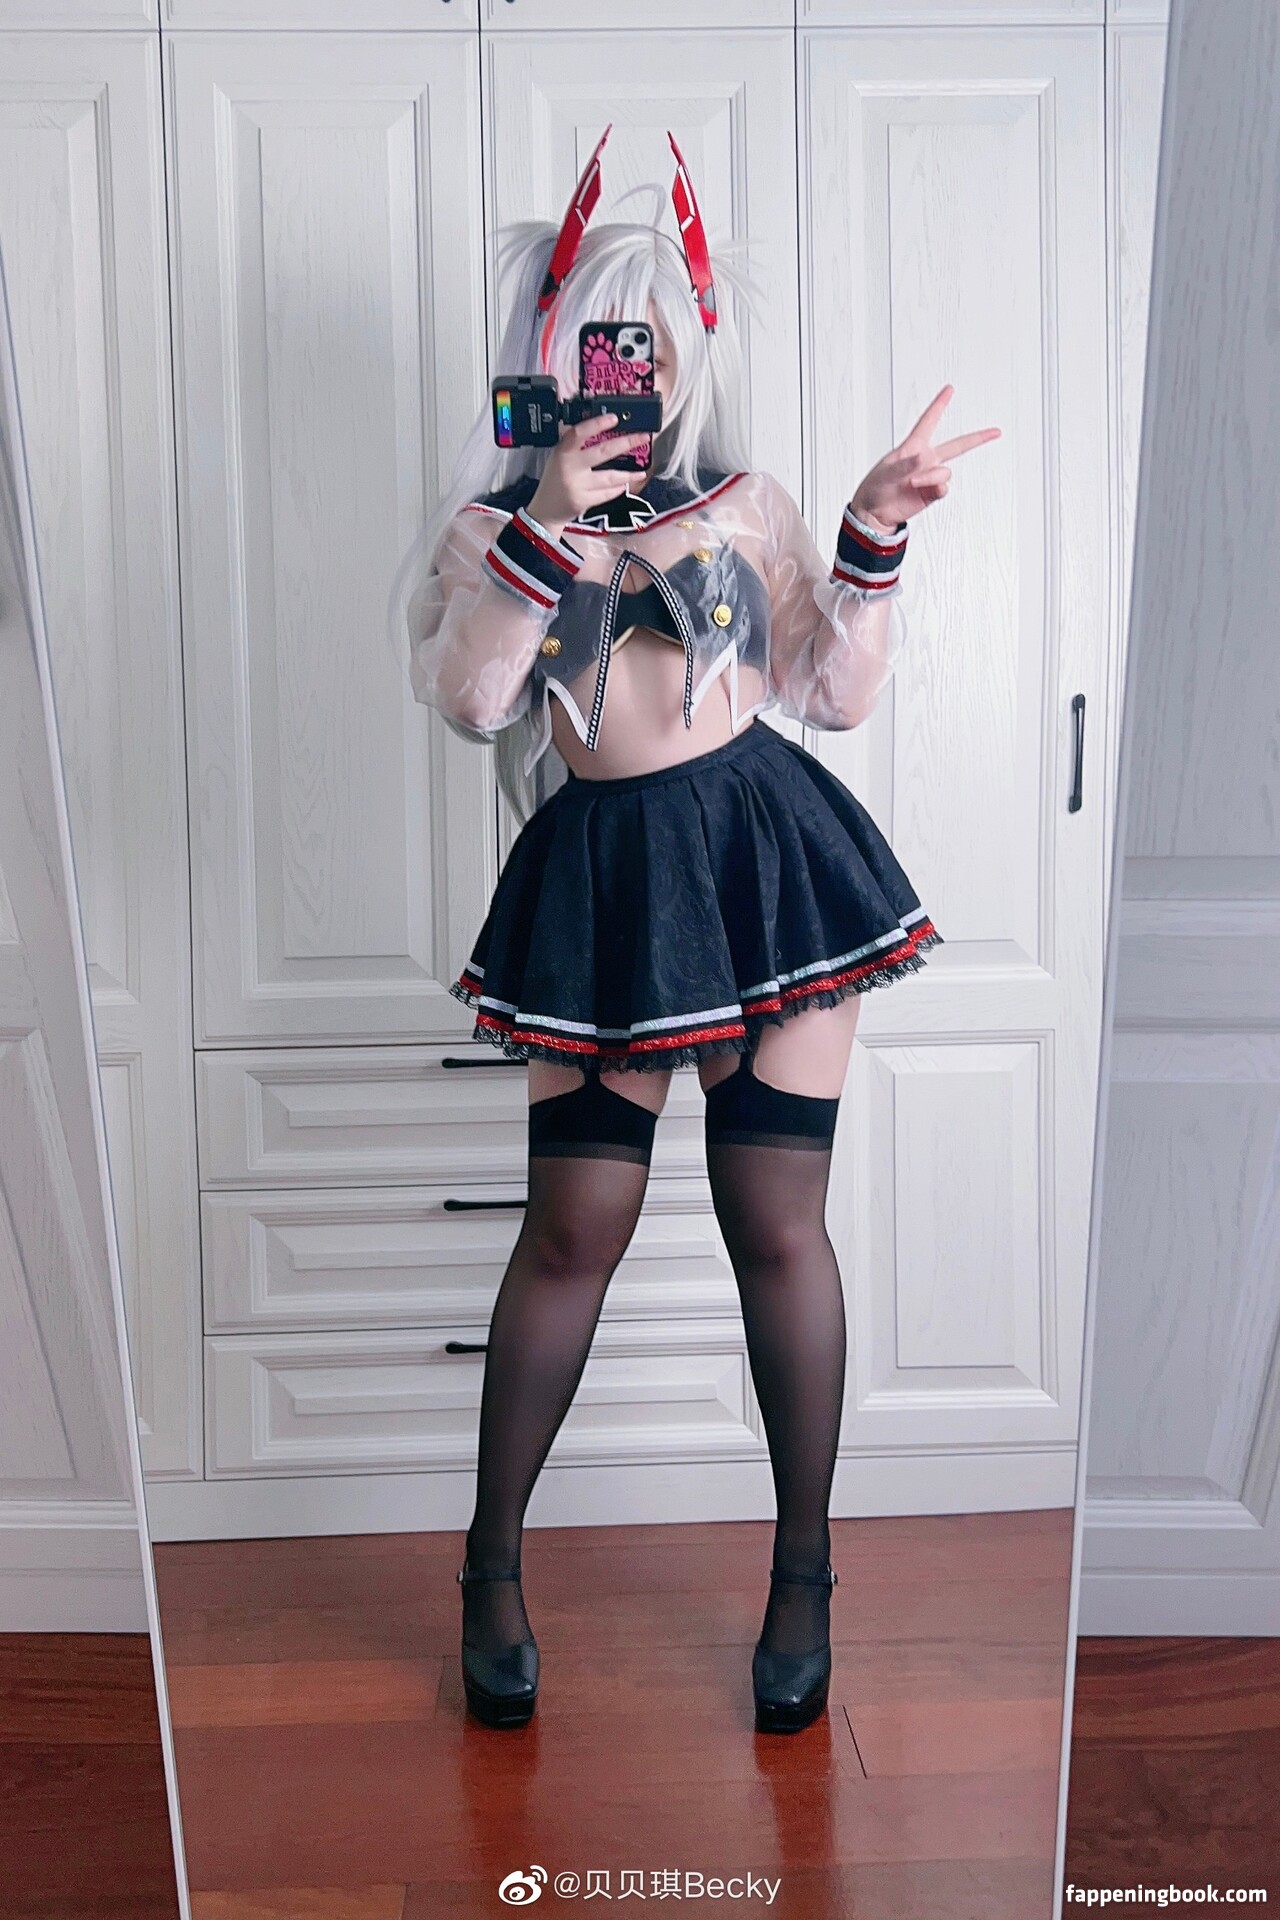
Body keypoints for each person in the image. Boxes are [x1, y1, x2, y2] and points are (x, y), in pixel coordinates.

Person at [392, 131, 1000, 1735]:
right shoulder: (490, 533)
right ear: (548, 358)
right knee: (573, 1228)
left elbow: (831, 695)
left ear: (686, 360)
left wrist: (870, 530)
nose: (634, 379)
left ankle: (804, 1578)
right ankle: (489, 1569)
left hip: (769, 864)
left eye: (655, 350)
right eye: (605, 348)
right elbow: (475, 700)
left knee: (776, 1222)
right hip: (605, 883)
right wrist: (548, 519)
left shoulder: (744, 508)